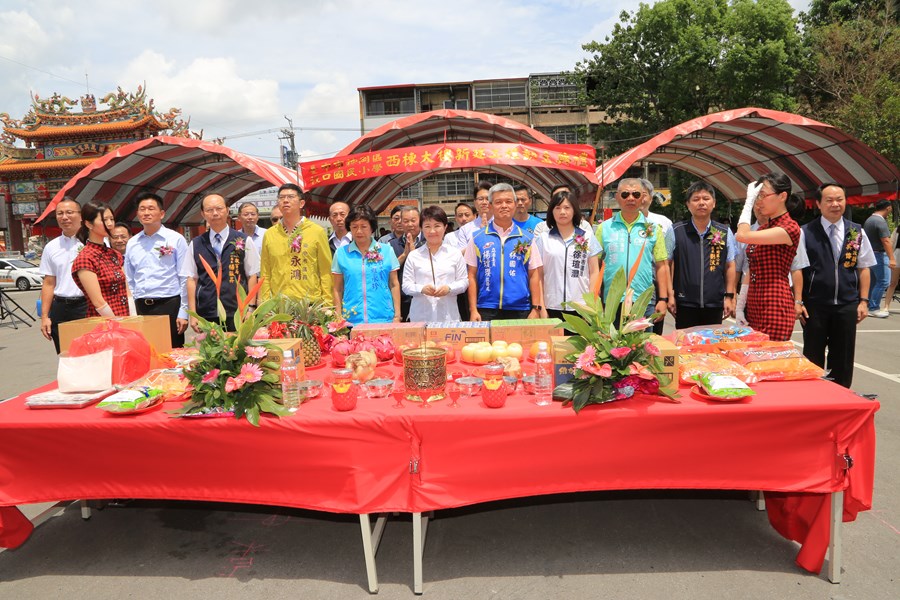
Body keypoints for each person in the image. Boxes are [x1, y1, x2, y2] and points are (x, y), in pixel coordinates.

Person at [798, 183, 875, 388]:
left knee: (843, 355)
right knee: (813, 354)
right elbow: (795, 270)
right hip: (814, 304)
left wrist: (864, 301)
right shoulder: (805, 232)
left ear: (845, 201)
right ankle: (812, 396)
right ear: (818, 204)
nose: (835, 204)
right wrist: (797, 301)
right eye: (829, 200)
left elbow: (864, 267)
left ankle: (840, 396)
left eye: (839, 199)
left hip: (847, 303)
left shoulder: (856, 232)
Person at [734, 172, 803, 341]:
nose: (759, 201)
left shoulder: (790, 227)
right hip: (754, 302)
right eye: (757, 196)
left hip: (775, 303)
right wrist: (740, 306)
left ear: (782, 196)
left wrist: (748, 203)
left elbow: (741, 235)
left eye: (763, 195)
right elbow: (752, 268)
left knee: (770, 360)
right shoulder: (763, 228)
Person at [595, 178, 671, 324]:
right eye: (625, 194)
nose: (630, 198)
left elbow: (662, 265)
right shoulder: (603, 228)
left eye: (636, 194)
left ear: (642, 197)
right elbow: (594, 265)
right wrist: (595, 295)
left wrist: (663, 299)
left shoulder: (654, 229)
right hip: (612, 300)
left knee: (642, 346)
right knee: (611, 345)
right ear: (617, 197)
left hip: (643, 300)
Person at [465, 183, 544, 321]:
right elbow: (471, 275)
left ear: (514, 204)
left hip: (520, 309)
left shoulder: (527, 238)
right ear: (490, 206)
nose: (504, 206)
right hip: (486, 308)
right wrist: (473, 310)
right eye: (498, 202)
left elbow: (534, 275)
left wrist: (536, 308)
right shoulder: (477, 238)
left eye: (508, 201)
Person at [182, 193, 260, 332]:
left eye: (219, 208)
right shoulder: (196, 243)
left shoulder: (243, 240)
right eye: (209, 210)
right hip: (207, 312)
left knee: (237, 352)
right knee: (210, 352)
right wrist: (193, 314)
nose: (215, 213)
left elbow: (252, 275)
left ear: (227, 210)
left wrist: (250, 308)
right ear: (203, 214)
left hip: (237, 311)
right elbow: (191, 279)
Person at [124, 192, 190, 348]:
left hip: (169, 304)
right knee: (146, 352)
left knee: (172, 352)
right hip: (142, 306)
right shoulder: (132, 243)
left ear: (161, 213)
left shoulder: (175, 239)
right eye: (142, 209)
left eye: (151, 208)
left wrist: (183, 312)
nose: (146, 213)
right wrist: (134, 308)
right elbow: (130, 279)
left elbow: (185, 276)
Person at [669, 181, 738, 329]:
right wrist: (670, 295)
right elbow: (668, 264)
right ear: (688, 204)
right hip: (685, 302)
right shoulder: (676, 231)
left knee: (711, 348)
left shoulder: (724, 231)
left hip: (714, 303)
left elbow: (730, 265)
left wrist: (729, 296)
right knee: (685, 348)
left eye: (706, 199)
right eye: (696, 199)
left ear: (713, 203)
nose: (701, 203)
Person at [259, 184, 333, 306]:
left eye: (290, 197)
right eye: (281, 197)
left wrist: (327, 304)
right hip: (279, 305)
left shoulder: (316, 231)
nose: (285, 200)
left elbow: (325, 271)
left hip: (310, 305)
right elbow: (265, 273)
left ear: (301, 203)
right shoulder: (270, 234)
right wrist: (265, 305)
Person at [535, 190, 601, 320]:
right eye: (557, 208)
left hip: (581, 306)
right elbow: (538, 276)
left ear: (574, 210)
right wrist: (541, 307)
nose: (562, 212)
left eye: (567, 208)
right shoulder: (543, 239)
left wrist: (591, 304)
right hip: (552, 306)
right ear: (551, 212)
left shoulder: (587, 236)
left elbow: (594, 272)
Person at [332, 204, 401, 324]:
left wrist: (397, 316)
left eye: (364, 226)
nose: (359, 231)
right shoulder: (341, 253)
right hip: (351, 320)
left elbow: (394, 284)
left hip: (383, 318)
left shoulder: (386, 251)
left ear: (372, 228)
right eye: (354, 227)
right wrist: (338, 317)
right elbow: (337, 288)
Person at [402, 205, 468, 322]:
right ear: (421, 228)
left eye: (437, 226)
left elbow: (464, 282)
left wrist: (449, 288)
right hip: (420, 317)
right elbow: (406, 285)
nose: (432, 231)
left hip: (448, 317)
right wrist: (421, 289)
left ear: (445, 227)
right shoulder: (414, 256)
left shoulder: (455, 253)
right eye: (427, 226)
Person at [39, 198, 87, 353]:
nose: (64, 217)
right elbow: (48, 283)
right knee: (66, 355)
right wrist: (45, 316)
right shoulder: (51, 247)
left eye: (69, 212)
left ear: (81, 216)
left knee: (92, 354)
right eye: (60, 213)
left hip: (87, 306)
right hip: (60, 308)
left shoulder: (94, 242)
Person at [72, 201, 130, 318]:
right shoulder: (85, 258)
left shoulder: (115, 254)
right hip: (103, 322)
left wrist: (133, 318)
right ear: (89, 224)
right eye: (104, 220)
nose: (109, 224)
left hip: (125, 317)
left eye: (111, 219)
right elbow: (98, 302)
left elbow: (127, 291)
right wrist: (117, 323)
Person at [639, 179, 675, 334]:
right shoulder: (612, 225)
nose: (638, 198)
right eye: (632, 194)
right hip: (626, 289)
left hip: (655, 286)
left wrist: (666, 296)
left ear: (651, 198)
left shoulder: (663, 223)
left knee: (653, 336)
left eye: (642, 194)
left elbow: (668, 261)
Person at [390, 206, 425, 320]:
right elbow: (389, 270)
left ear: (420, 220)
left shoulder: (429, 241)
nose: (410, 224)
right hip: (402, 299)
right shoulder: (392, 245)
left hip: (424, 297)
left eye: (413, 220)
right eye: (406, 221)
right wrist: (405, 255)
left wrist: (415, 255)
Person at [863, 199, 895, 318]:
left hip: (870, 254)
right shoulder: (880, 221)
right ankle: (874, 307)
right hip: (879, 255)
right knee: (883, 281)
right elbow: (886, 240)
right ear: (888, 208)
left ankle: (867, 304)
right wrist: (892, 258)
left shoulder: (870, 220)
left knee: (873, 281)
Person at [456, 181, 493, 250]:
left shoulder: (503, 224)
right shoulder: (465, 229)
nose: (484, 202)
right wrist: (480, 235)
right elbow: (461, 255)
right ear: (475, 203)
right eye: (481, 199)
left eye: (488, 199)